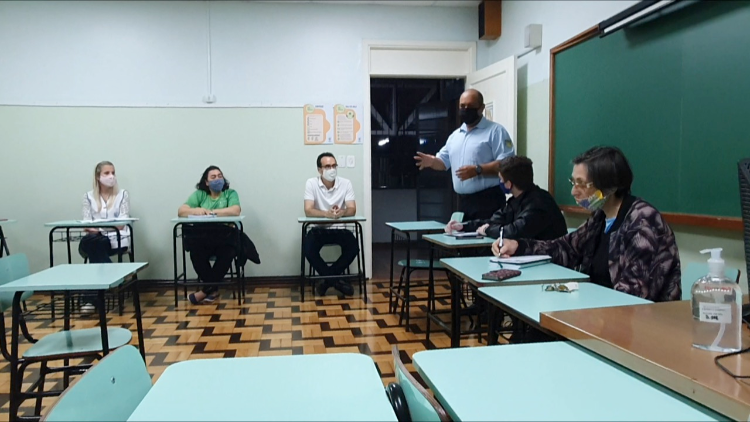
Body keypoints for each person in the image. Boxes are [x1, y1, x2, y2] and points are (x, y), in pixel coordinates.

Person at [493, 146, 681, 302]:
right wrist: (518, 245)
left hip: (636, 326)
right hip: (598, 313)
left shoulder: (642, 222)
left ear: (608, 185)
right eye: (573, 182)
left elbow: (632, 295)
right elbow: (566, 248)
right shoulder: (600, 217)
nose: (574, 192)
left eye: (582, 184)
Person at [415, 88, 515, 221]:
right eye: (462, 106)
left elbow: (507, 164)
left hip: (489, 200)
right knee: (465, 240)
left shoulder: (495, 131)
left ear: (481, 108)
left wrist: (478, 170)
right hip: (464, 203)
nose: (465, 109)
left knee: (486, 240)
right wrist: (432, 161)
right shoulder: (455, 136)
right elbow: (443, 162)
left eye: (470, 106)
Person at [445, 155, 567, 241]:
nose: (500, 182)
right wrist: (464, 226)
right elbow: (494, 221)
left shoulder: (539, 203)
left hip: (551, 262)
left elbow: (515, 232)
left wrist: (488, 230)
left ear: (509, 184)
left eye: (501, 179)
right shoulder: (515, 201)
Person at [177, 165, 241, 305]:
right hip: (203, 238)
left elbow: (235, 210)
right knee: (195, 252)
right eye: (213, 177)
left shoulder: (230, 193)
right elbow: (181, 211)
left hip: (224, 238)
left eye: (220, 176)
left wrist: (212, 212)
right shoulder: (200, 194)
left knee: (229, 251)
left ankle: (206, 290)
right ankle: (212, 290)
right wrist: (197, 210)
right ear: (206, 182)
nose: (217, 179)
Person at [79, 161, 131, 313]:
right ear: (97, 177)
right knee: (96, 242)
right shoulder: (88, 197)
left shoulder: (122, 195)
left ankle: (90, 300)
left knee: (94, 247)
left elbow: (121, 223)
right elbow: (87, 223)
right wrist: (98, 229)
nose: (111, 176)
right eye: (107, 173)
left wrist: (98, 228)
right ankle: (113, 277)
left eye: (113, 173)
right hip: (96, 239)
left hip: (116, 239)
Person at [304, 153, 359, 296]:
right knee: (308, 248)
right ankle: (336, 281)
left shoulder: (345, 183)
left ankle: (326, 282)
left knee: (353, 247)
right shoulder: (311, 183)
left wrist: (342, 213)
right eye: (327, 166)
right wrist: (325, 214)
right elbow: (308, 210)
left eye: (334, 165)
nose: (331, 169)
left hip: (339, 229)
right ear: (319, 170)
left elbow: (352, 209)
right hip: (319, 229)